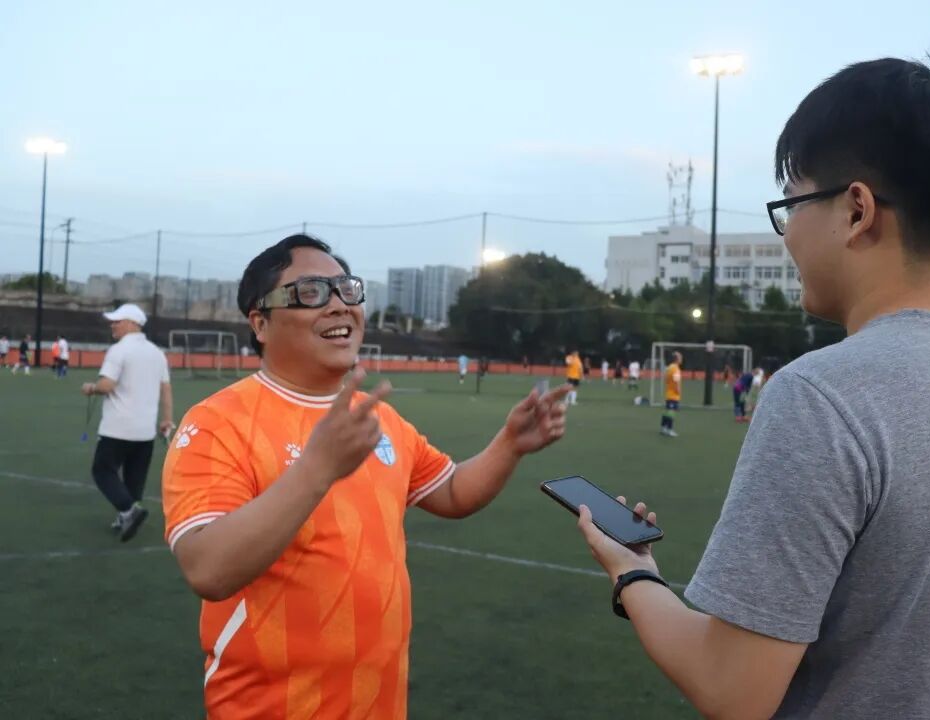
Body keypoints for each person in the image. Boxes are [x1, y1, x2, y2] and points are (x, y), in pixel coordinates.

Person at [570, 58, 930, 719]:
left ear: (856, 210)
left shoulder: (820, 397)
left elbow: (732, 688)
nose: (788, 234)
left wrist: (632, 573)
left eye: (791, 205)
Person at [162, 235, 569, 719]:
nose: (339, 304)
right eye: (311, 292)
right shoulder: (217, 422)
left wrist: (509, 444)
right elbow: (208, 568)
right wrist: (317, 468)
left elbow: (452, 491)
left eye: (347, 289)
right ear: (260, 322)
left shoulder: (379, 419)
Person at [82, 304, 174, 541]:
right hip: (145, 430)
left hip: (118, 428)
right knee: (135, 478)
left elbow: (106, 385)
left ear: (133, 323)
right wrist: (167, 419)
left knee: (102, 470)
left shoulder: (119, 350)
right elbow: (166, 388)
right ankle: (125, 516)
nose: (113, 325)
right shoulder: (157, 353)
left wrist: (91, 388)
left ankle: (128, 511)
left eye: (117, 321)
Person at [659, 352, 682, 437]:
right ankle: (669, 430)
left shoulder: (669, 367)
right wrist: (678, 391)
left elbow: (666, 380)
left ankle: (663, 428)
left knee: (668, 412)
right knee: (671, 413)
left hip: (668, 393)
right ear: (677, 359)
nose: (681, 359)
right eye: (680, 357)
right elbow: (676, 382)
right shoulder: (676, 369)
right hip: (673, 395)